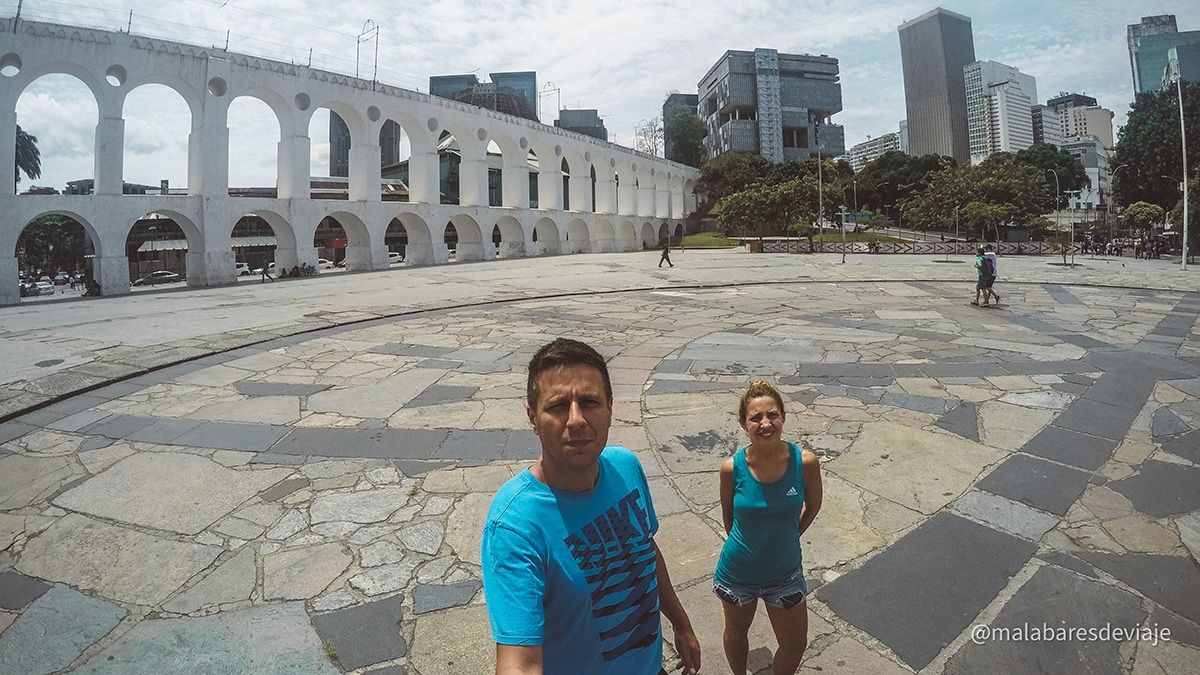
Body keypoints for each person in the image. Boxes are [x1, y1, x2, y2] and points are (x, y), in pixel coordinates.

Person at [482, 338, 701, 675]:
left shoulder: (625, 467)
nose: (576, 419)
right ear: (532, 417)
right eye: (557, 405)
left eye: (589, 401)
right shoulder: (515, 525)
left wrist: (681, 623)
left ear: (610, 408)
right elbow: (520, 662)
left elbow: (644, 546)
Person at [714, 380, 823, 675]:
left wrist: (789, 534)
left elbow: (813, 505)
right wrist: (747, 541)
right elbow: (728, 515)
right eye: (756, 417)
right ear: (743, 423)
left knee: (795, 643)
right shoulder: (731, 468)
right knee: (736, 633)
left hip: (784, 574)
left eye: (772, 415)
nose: (765, 423)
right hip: (737, 573)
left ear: (783, 417)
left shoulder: (805, 462)